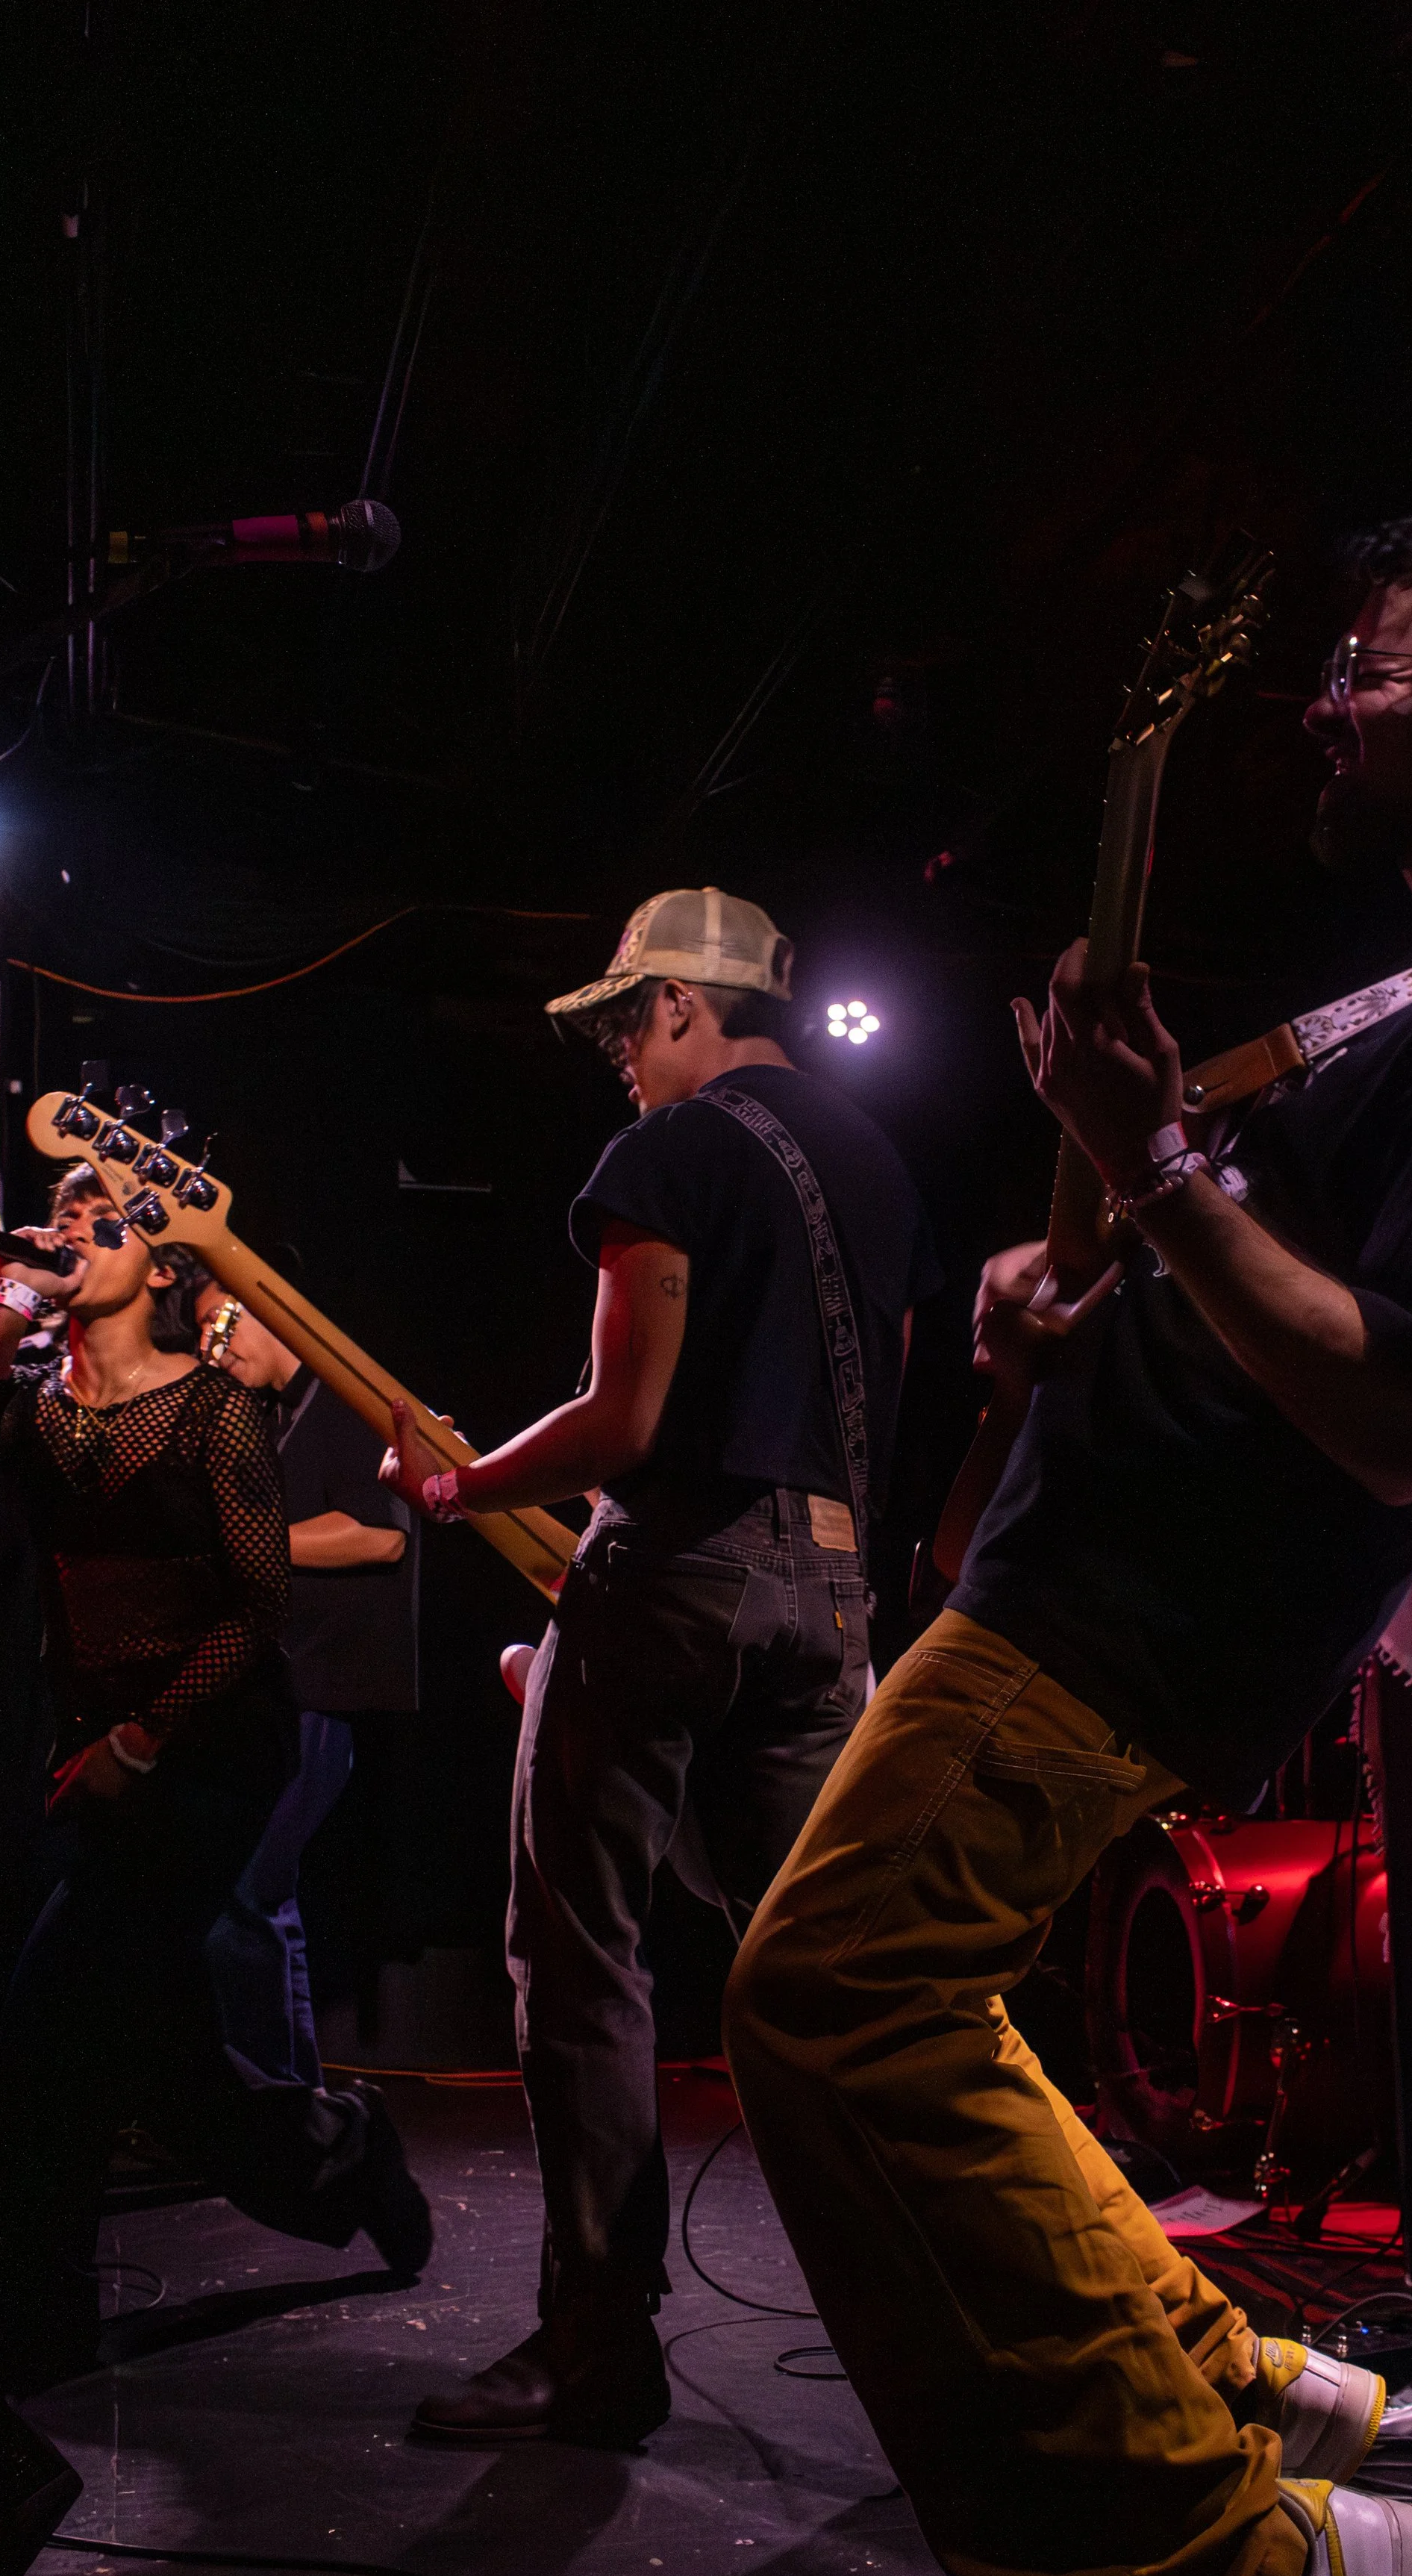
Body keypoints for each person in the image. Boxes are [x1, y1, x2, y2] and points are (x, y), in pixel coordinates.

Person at [722, 499, 1412, 2576]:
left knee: (828, 1990)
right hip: (1079, 1576)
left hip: (1127, 1617)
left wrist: (1149, 1172)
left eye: (1371, 660)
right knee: (892, 1992)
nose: (1326, 694)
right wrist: (1094, 1277)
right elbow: (1274, 1300)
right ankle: (1230, 2380)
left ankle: (1244, 2562)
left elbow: (1401, 1404)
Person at [381, 885, 941, 2446]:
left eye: (630, 1026)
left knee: (576, 1956)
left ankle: (594, 2346)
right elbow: (873, 1422)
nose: (621, 1061)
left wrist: (461, 1482)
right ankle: (953, 2347)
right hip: (832, 1586)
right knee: (829, 1985)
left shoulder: (666, 1155)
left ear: (689, 1007)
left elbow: (625, 1425)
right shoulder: (878, 1165)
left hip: (675, 1566)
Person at [0, 1167, 431, 2393]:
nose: (73, 1232)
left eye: (105, 1221)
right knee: (163, 2054)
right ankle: (340, 2154)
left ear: (162, 1268)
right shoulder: (43, 1401)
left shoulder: (213, 1409)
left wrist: (145, 1740)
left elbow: (257, 1611)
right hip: (98, 1759)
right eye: (66, 1214)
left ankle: (22, 2313)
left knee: (53, 2026)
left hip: (206, 1760)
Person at [187, 1267, 416, 2089]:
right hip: (289, 1688)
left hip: (322, 1691)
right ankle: (286, 2099)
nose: (213, 1352)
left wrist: (242, 1543)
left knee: (247, 1895)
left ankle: (278, 2106)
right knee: (257, 1896)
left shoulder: (342, 1398)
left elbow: (377, 1534)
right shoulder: (279, 1415)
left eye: (220, 1325)